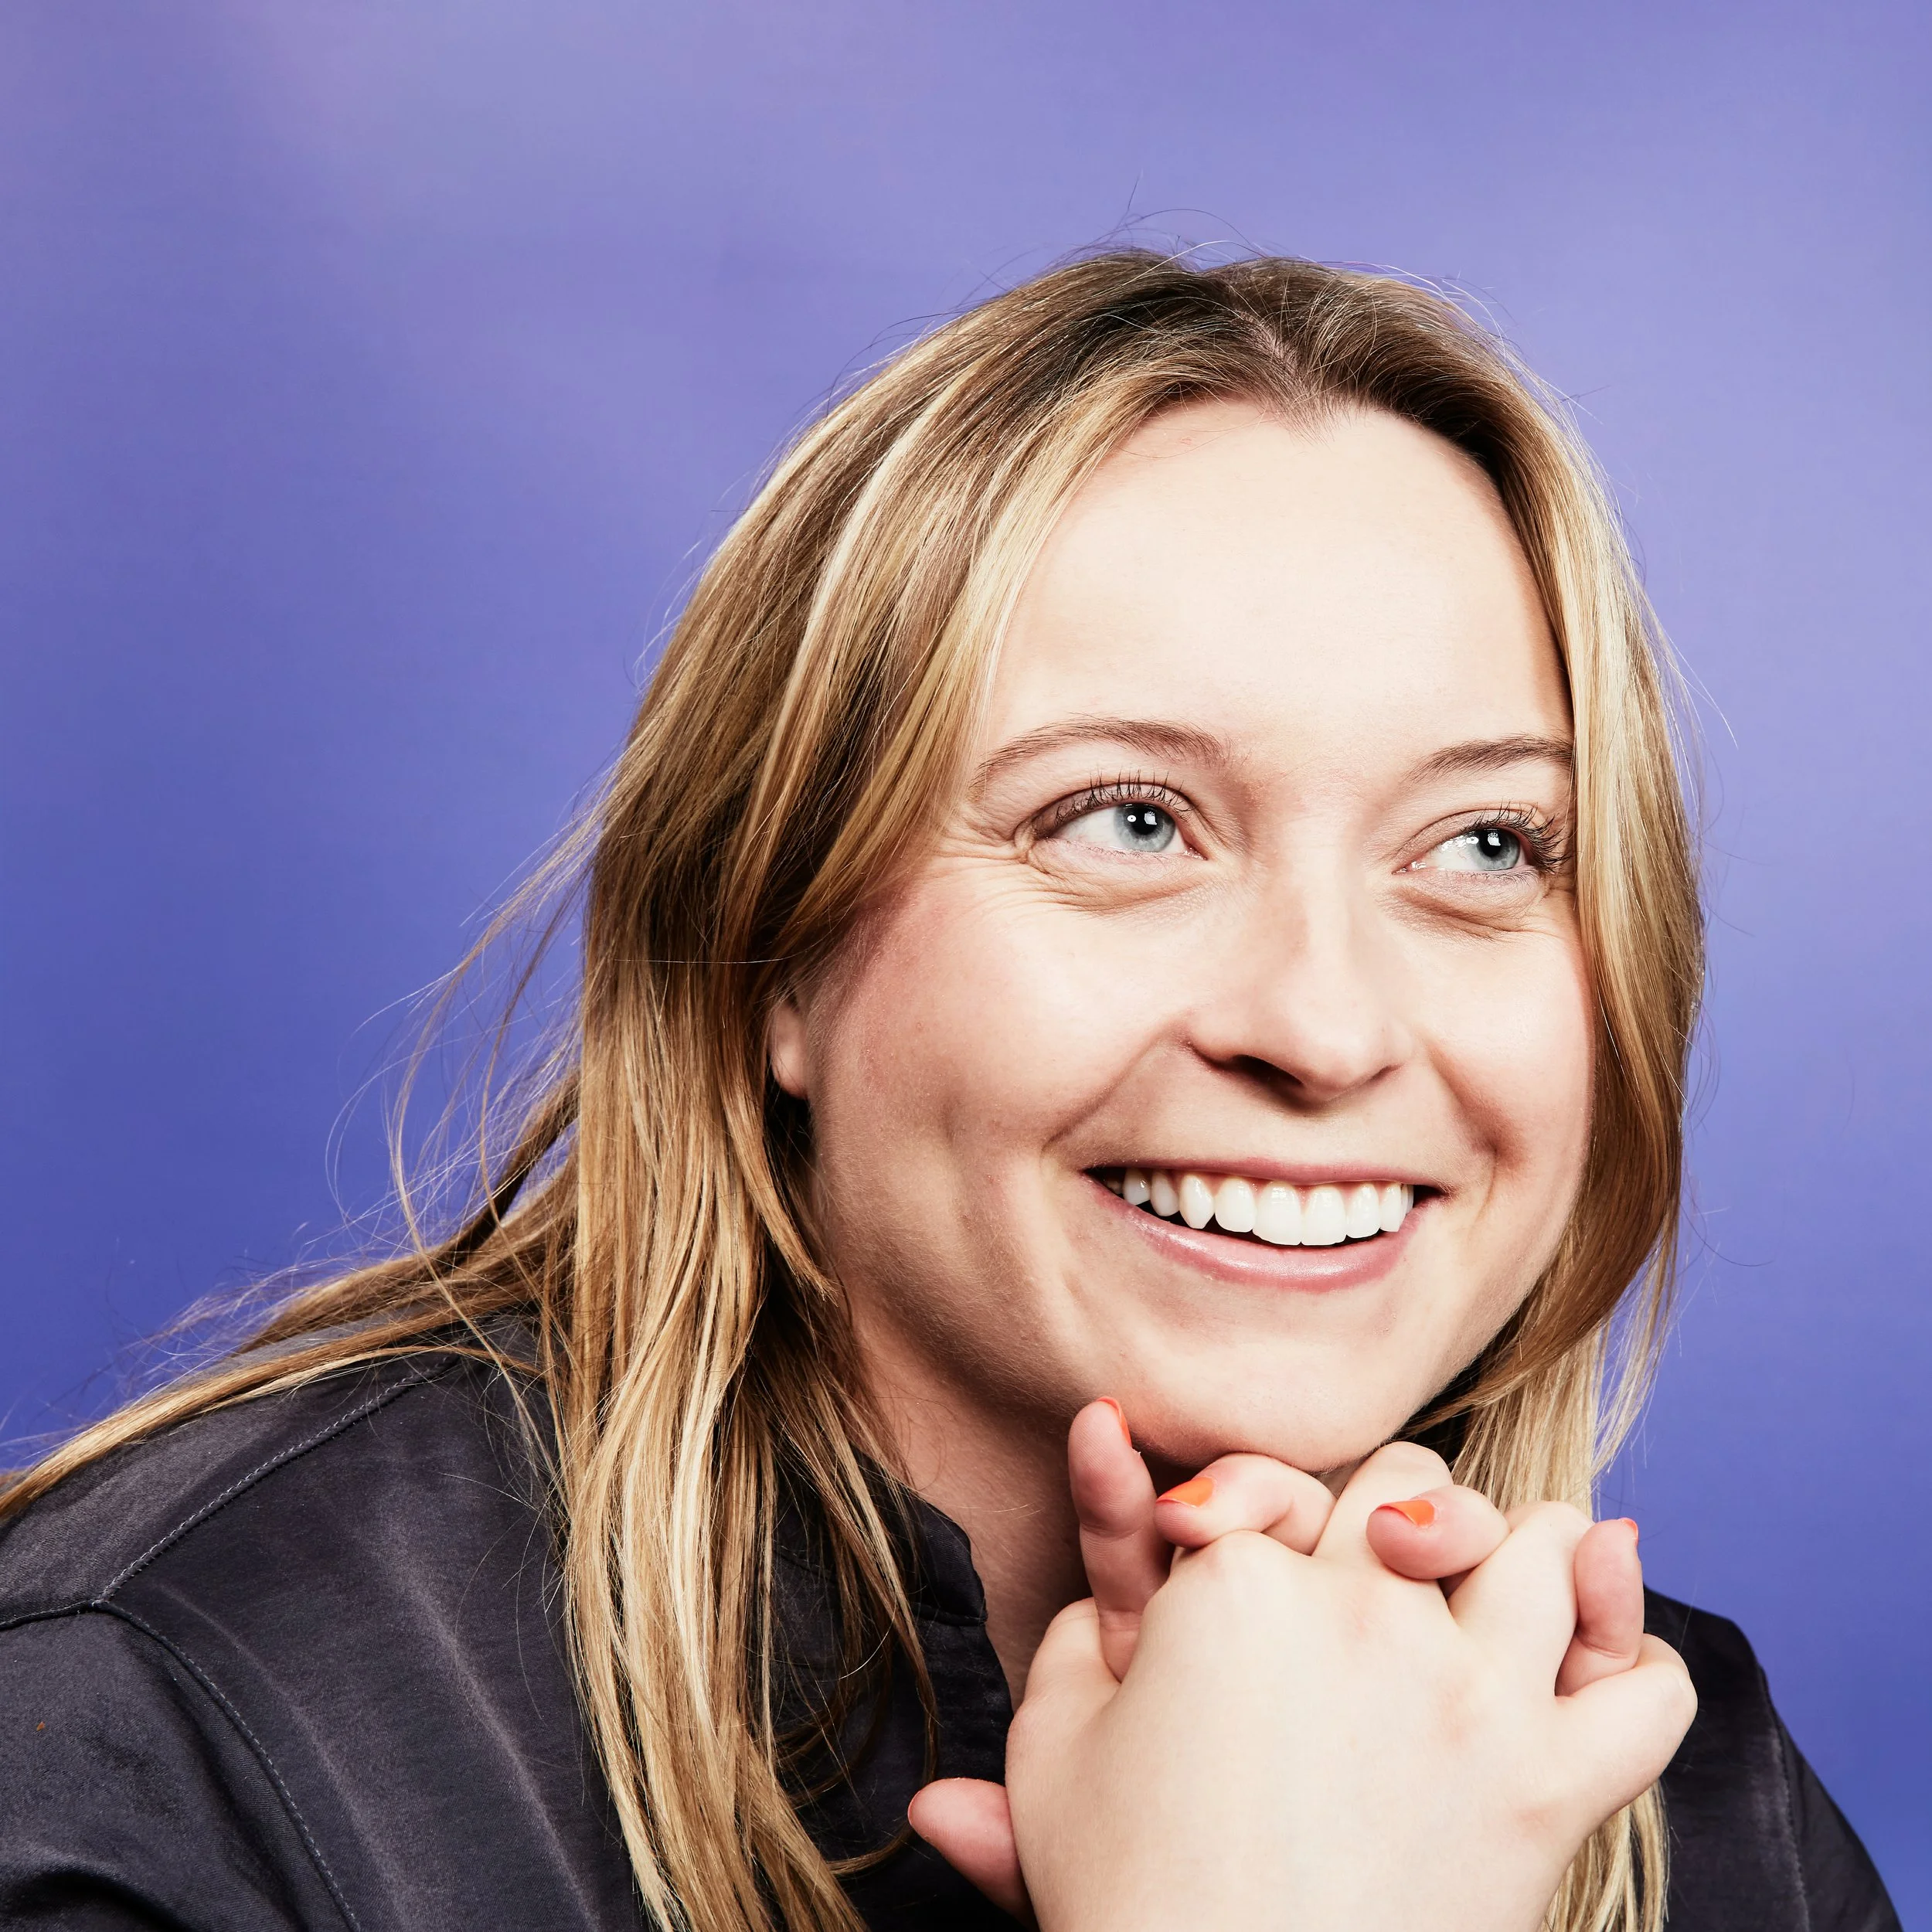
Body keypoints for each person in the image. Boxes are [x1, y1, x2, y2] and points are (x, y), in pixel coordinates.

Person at [0, 252, 1898, 1932]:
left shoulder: (1662, 1792)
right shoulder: (158, 1738)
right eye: (1128, 821)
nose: (1325, 1029)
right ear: (772, 950)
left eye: (1484, 842)